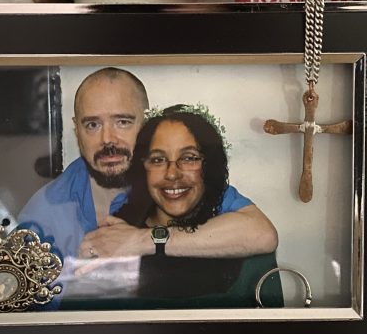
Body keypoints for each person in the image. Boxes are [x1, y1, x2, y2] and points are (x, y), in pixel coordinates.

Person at [16, 67, 277, 307]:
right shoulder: (44, 213)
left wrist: (144, 240)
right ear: (77, 130)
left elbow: (261, 233)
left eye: (123, 122)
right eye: (93, 124)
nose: (108, 139)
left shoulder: (175, 186)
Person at [114, 104, 278, 300]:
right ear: (142, 168)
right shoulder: (117, 219)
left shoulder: (231, 217)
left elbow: (264, 234)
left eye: (189, 158)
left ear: (209, 166)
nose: (172, 174)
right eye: (158, 160)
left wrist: (150, 240)